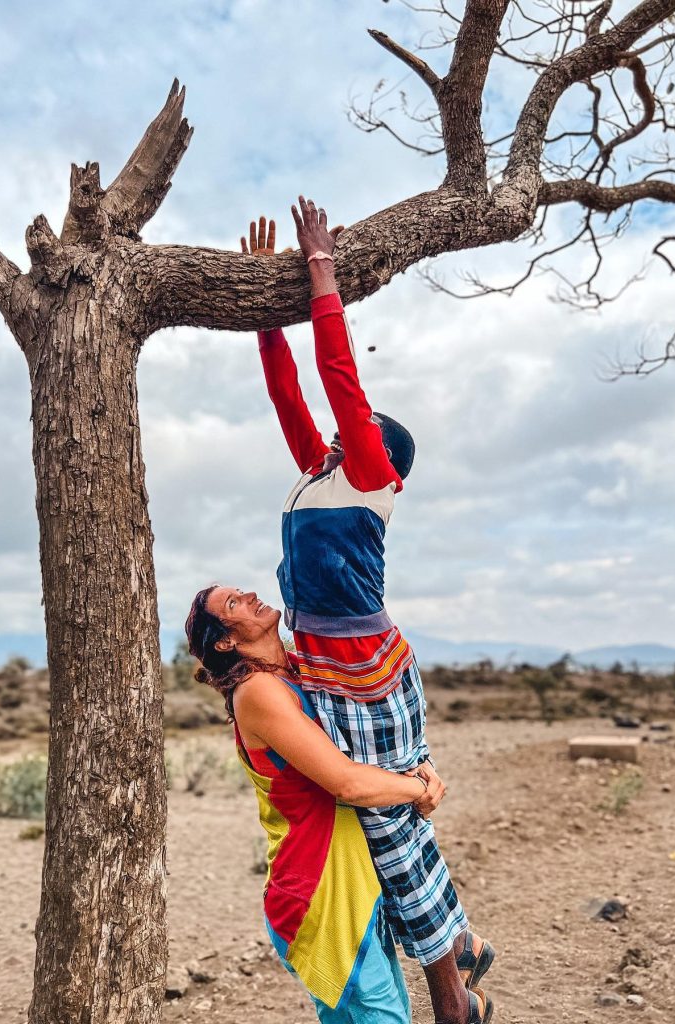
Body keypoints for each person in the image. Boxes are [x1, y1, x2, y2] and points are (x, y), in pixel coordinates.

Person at [239, 203, 495, 1011]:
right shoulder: (320, 475)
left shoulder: (371, 478)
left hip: (366, 669)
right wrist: (264, 316)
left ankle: (451, 985)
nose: (349, 430)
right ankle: (460, 949)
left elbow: (338, 376)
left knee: (390, 821)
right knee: (366, 826)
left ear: (385, 457)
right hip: (320, 660)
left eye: (364, 431)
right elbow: (291, 398)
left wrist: (321, 271)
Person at [185, 584, 492, 1024]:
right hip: (318, 890)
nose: (250, 593)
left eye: (240, 591)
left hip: (355, 881)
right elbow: (346, 784)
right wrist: (417, 789)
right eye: (233, 603)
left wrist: (420, 766)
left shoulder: (297, 669)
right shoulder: (258, 691)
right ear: (225, 641)